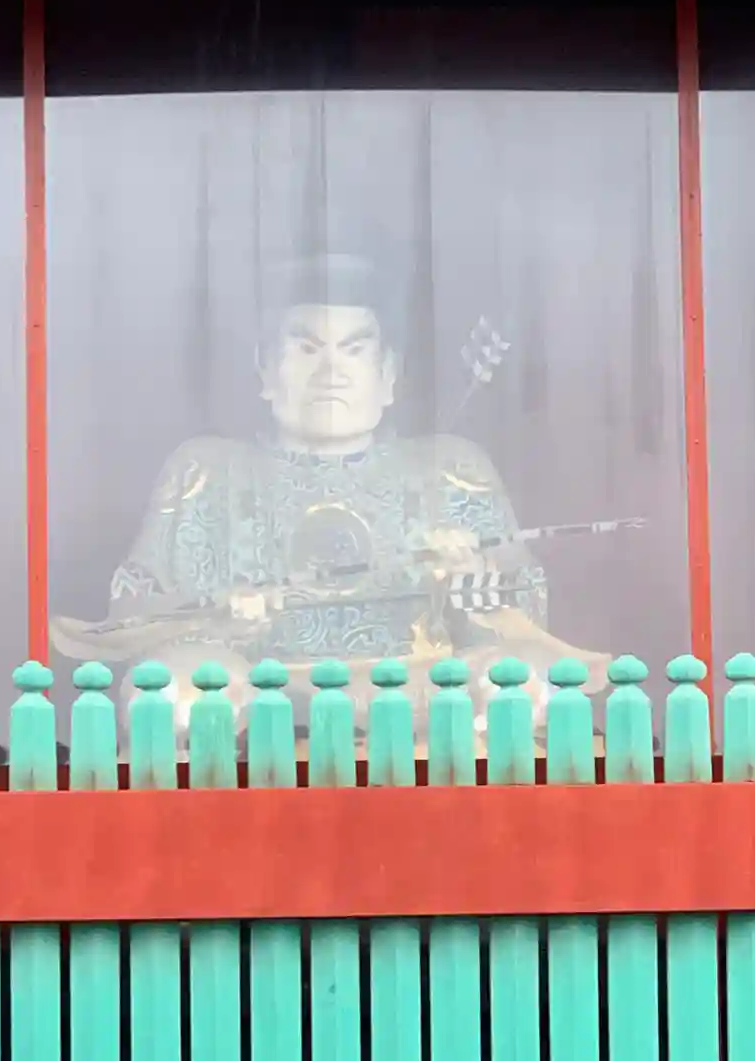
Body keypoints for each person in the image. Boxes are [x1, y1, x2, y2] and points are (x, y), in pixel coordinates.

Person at [51, 254, 608, 723]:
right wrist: (214, 618)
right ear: (265, 370)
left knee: (526, 677)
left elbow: (525, 612)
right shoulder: (207, 472)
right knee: (172, 689)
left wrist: (471, 578)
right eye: (307, 349)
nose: (332, 370)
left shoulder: (451, 469)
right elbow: (133, 610)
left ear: (389, 375)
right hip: (258, 689)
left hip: (421, 686)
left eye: (355, 349)